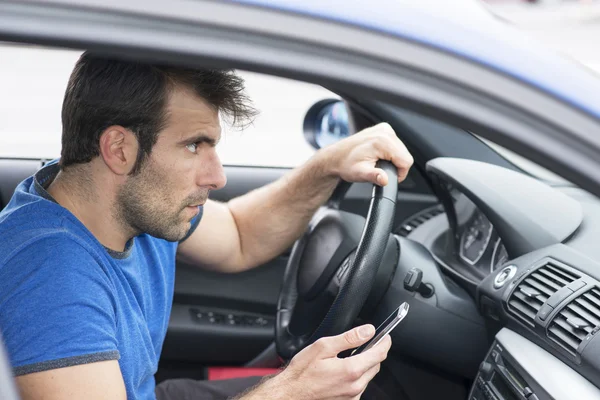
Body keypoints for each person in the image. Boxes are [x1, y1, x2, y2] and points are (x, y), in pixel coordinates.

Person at [0, 52, 413, 400]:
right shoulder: (49, 279)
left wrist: (327, 166)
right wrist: (289, 392)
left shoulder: (118, 202)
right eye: (194, 145)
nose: (217, 178)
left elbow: (238, 235)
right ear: (119, 149)